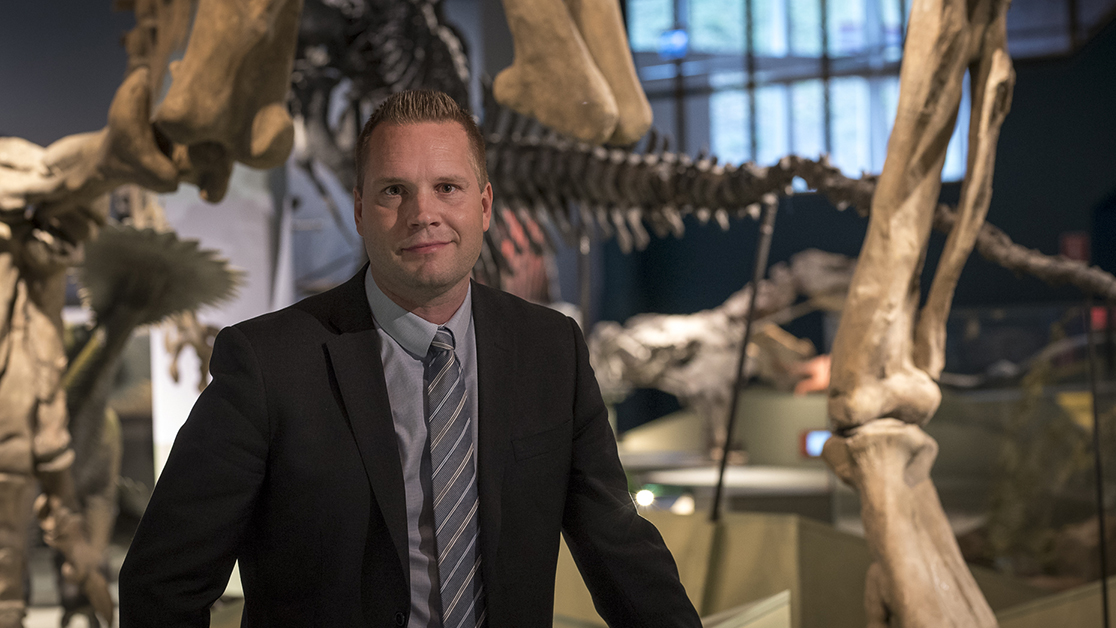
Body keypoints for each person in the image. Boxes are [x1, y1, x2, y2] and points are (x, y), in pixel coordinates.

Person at [119, 90, 702, 628]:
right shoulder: (267, 364)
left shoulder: (552, 349)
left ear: (484, 204)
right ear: (359, 210)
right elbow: (164, 583)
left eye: (446, 187)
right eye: (394, 190)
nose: (423, 213)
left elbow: (620, 551)